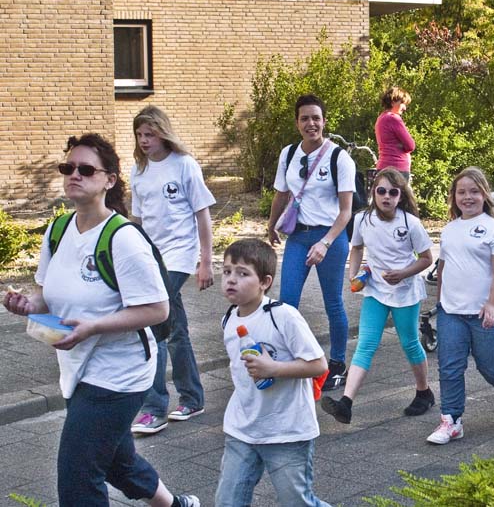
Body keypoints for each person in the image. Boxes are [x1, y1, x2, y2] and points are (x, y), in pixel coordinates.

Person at [3, 134, 198, 506]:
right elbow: (45, 290)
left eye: (86, 169)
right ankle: (175, 505)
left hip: (119, 373)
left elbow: (158, 309)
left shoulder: (123, 238)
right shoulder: (58, 230)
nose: (75, 175)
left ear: (109, 180)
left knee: (78, 475)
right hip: (78, 365)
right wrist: (27, 303)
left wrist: (93, 327)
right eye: (68, 168)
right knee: (116, 461)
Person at [215, 239, 329, 507]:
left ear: (264, 282)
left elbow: (319, 365)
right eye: (227, 271)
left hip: (287, 430)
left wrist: (274, 368)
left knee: (297, 503)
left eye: (243, 274)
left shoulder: (283, 316)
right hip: (242, 428)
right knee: (227, 502)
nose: (232, 280)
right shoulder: (229, 318)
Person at [321, 168, 435, 424]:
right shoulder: (362, 220)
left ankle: (424, 392)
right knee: (366, 344)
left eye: (393, 192)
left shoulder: (410, 223)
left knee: (409, 343)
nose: (386, 196)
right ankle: (346, 403)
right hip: (375, 290)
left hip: (405, 292)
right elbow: (357, 248)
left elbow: (427, 259)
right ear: (373, 192)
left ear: (400, 195)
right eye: (381, 191)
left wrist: (404, 273)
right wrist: (353, 274)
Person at [129, 106, 215, 434]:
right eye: (139, 135)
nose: (144, 140)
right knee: (176, 330)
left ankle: (154, 408)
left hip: (179, 257)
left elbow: (202, 215)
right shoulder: (139, 170)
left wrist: (205, 262)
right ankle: (193, 398)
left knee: (154, 327)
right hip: (151, 258)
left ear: (163, 132)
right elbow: (137, 221)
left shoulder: (184, 165)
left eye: (150, 134)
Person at [427, 167, 494, 445]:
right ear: (454, 197)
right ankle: (451, 420)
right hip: (452, 313)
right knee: (449, 367)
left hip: (485, 311)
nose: (467, 197)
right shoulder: (449, 230)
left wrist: (493, 305)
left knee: (492, 368)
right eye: (461, 192)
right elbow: (443, 267)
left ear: (484, 195)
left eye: (474, 191)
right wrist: (440, 304)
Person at [268, 94, 356, 391]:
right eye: (305, 118)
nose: (311, 123)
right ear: (297, 122)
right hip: (298, 236)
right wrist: (271, 226)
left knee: (333, 302)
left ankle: (338, 364)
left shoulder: (338, 158)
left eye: (316, 118)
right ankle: (291, 360)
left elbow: (346, 211)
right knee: (287, 302)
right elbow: (281, 193)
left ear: (324, 121)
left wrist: (326, 243)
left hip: (330, 237)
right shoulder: (289, 153)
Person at [375, 86, 415, 180]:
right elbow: (410, 145)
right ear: (393, 102)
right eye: (402, 103)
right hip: (397, 168)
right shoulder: (394, 118)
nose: (404, 108)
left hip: (383, 166)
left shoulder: (381, 118)